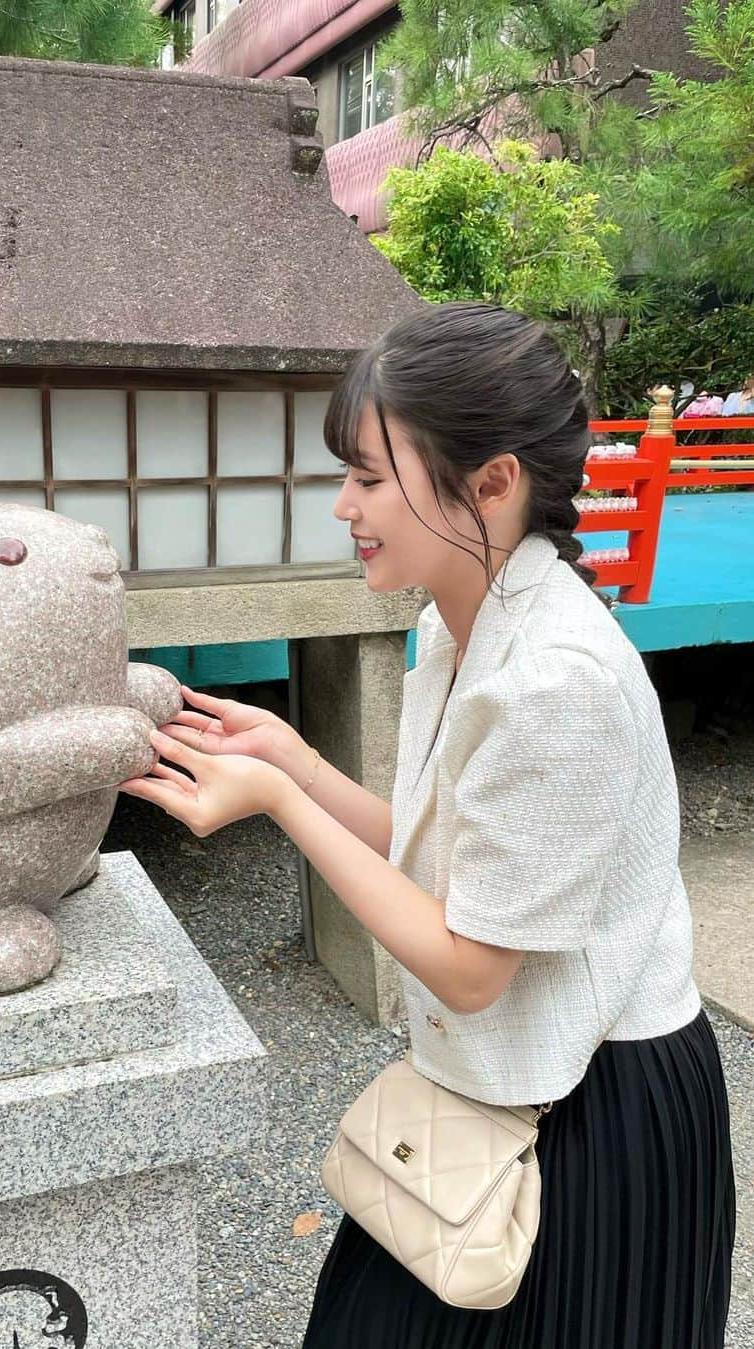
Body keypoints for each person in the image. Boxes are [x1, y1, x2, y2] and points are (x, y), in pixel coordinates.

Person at [117, 301, 736, 1349]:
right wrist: (295, 759)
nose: (343, 505)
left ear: (492, 483)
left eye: (367, 475)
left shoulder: (556, 679)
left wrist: (278, 804)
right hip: (528, 1082)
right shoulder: (463, 623)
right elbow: (451, 853)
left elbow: (468, 963)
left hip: (595, 1110)